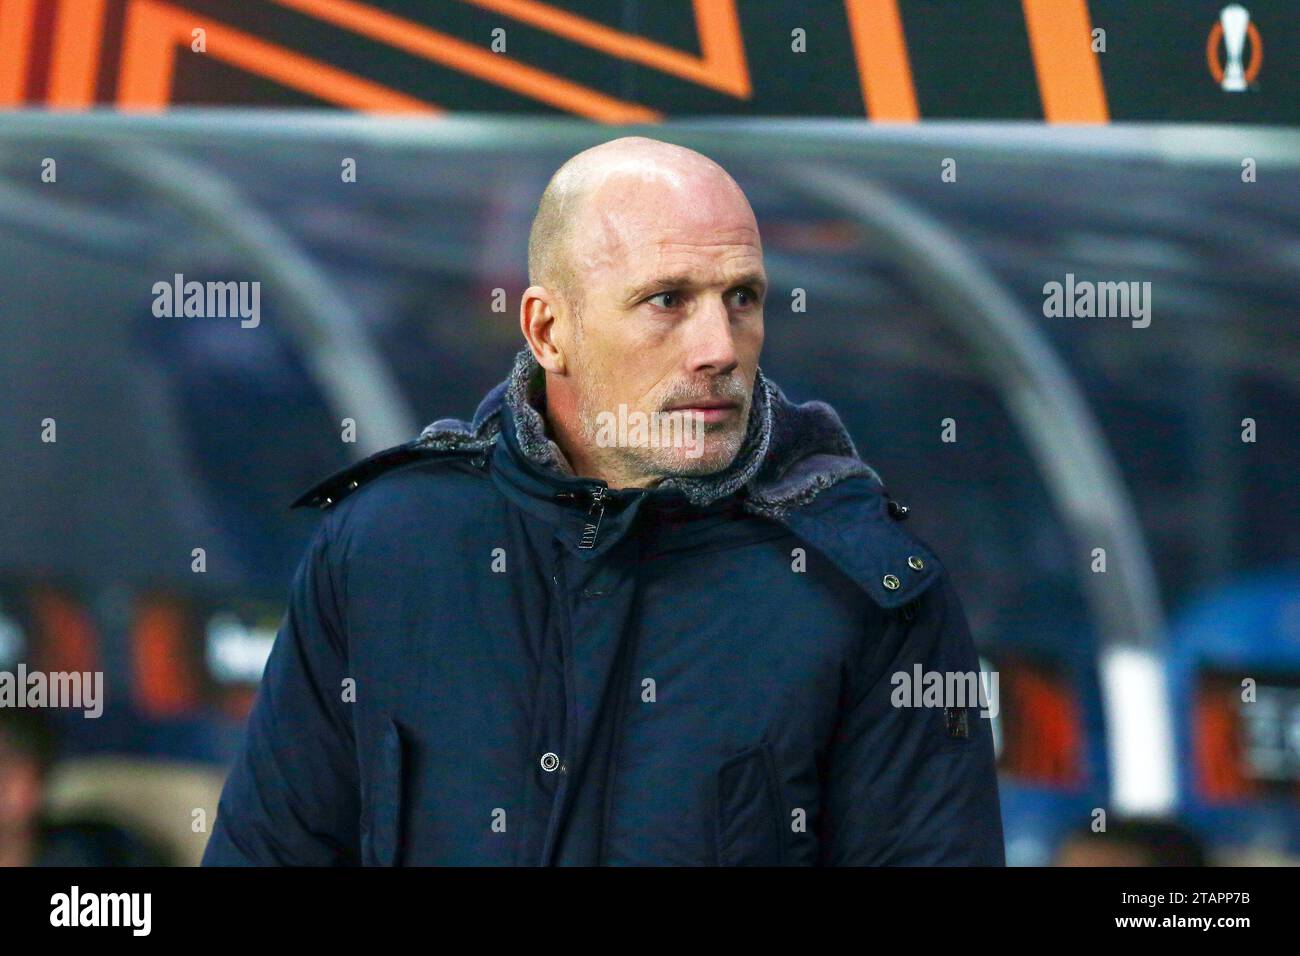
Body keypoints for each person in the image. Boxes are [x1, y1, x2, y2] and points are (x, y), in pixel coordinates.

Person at [203, 136, 1004, 866]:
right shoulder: (383, 544)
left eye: (743, 299)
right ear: (549, 330)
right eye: (667, 300)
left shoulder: (871, 590)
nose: (719, 348)